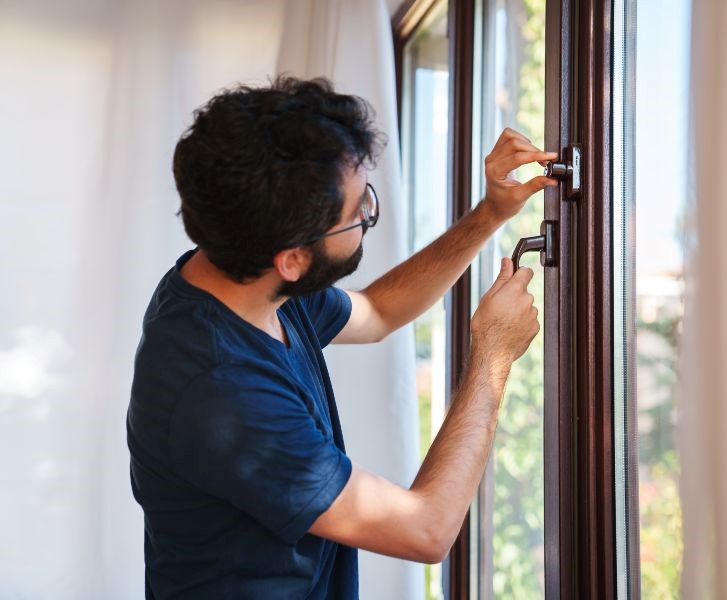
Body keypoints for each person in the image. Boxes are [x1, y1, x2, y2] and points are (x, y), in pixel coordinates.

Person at [126, 75, 559, 599]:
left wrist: (491, 214)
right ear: (292, 259)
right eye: (359, 213)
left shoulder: (245, 274)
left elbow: (377, 311)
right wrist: (493, 356)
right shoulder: (225, 395)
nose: (367, 216)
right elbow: (427, 529)